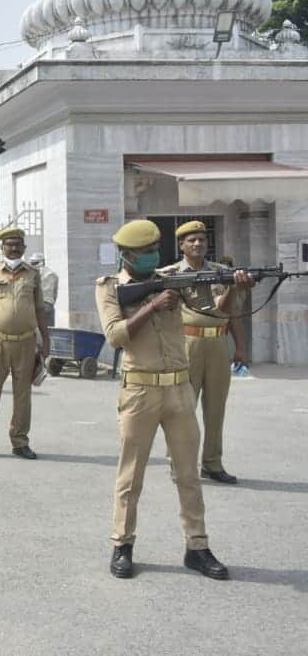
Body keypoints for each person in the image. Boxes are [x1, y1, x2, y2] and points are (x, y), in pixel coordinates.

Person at [96, 219, 243, 580]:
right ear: (127, 256)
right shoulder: (111, 287)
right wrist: (153, 306)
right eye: (145, 253)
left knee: (189, 474)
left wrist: (237, 288)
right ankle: (122, 544)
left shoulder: (172, 280)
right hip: (140, 391)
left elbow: (214, 311)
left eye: (154, 251)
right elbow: (116, 335)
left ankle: (197, 546)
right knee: (131, 476)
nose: (152, 257)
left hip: (179, 389)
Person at [159, 222, 254, 484]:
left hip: (218, 345)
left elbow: (230, 312)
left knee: (216, 409)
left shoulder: (224, 273)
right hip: (186, 344)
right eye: (192, 240)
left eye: (202, 239)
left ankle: (212, 463)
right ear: (181, 245)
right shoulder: (169, 274)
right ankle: (179, 464)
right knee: (181, 409)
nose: (198, 244)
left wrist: (241, 348)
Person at [0, 228, 50, 461]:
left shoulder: (33, 275)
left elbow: (39, 309)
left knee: (22, 395)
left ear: (24, 248)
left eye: (18, 244)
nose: (14, 248)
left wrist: (46, 340)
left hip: (26, 342)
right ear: (2, 247)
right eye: (9, 244)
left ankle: (19, 441)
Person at [28, 252, 59, 329]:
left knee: (35, 330)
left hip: (35, 304)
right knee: (49, 330)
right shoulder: (53, 274)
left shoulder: (32, 273)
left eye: (33, 262)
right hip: (48, 304)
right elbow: (55, 293)